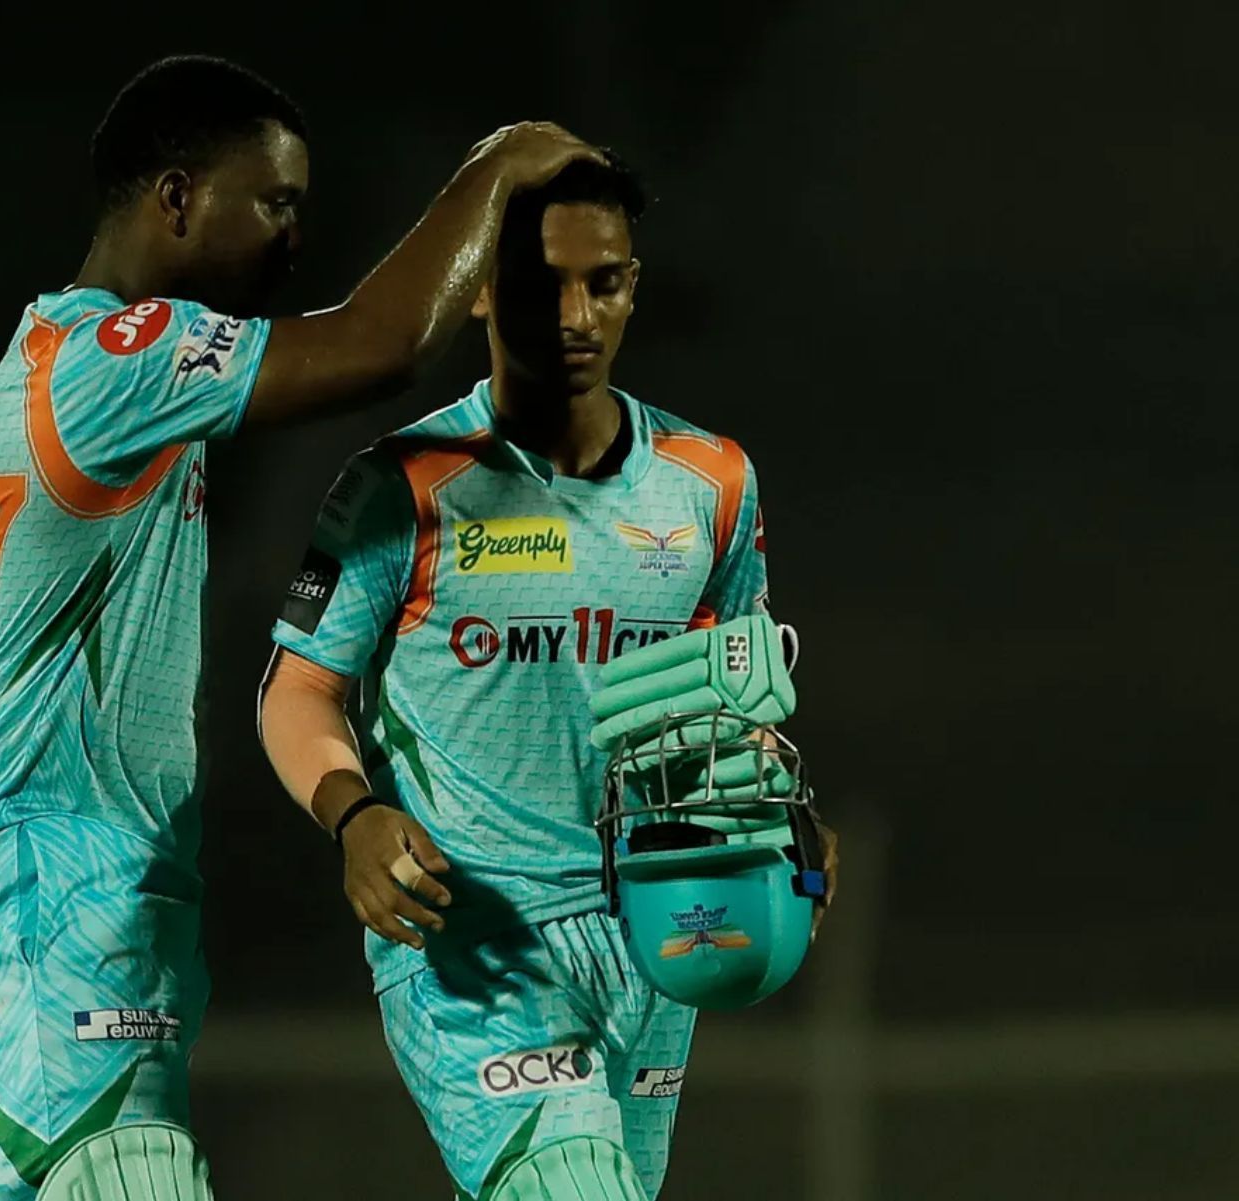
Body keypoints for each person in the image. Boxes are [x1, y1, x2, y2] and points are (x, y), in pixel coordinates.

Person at [0, 53, 604, 1201]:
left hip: (44, 898)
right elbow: (379, 340)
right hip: (59, 905)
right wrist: (506, 162)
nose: (292, 240)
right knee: (135, 1175)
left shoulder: (48, 361)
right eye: (272, 203)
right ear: (176, 200)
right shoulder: (127, 357)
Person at [258, 154, 826, 1201]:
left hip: (657, 930)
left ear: (633, 285)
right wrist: (355, 816)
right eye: (540, 280)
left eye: (602, 281)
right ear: (477, 285)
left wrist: (778, 820)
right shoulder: (402, 486)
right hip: (472, 938)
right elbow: (294, 689)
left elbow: (733, 694)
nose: (576, 313)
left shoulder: (713, 486)